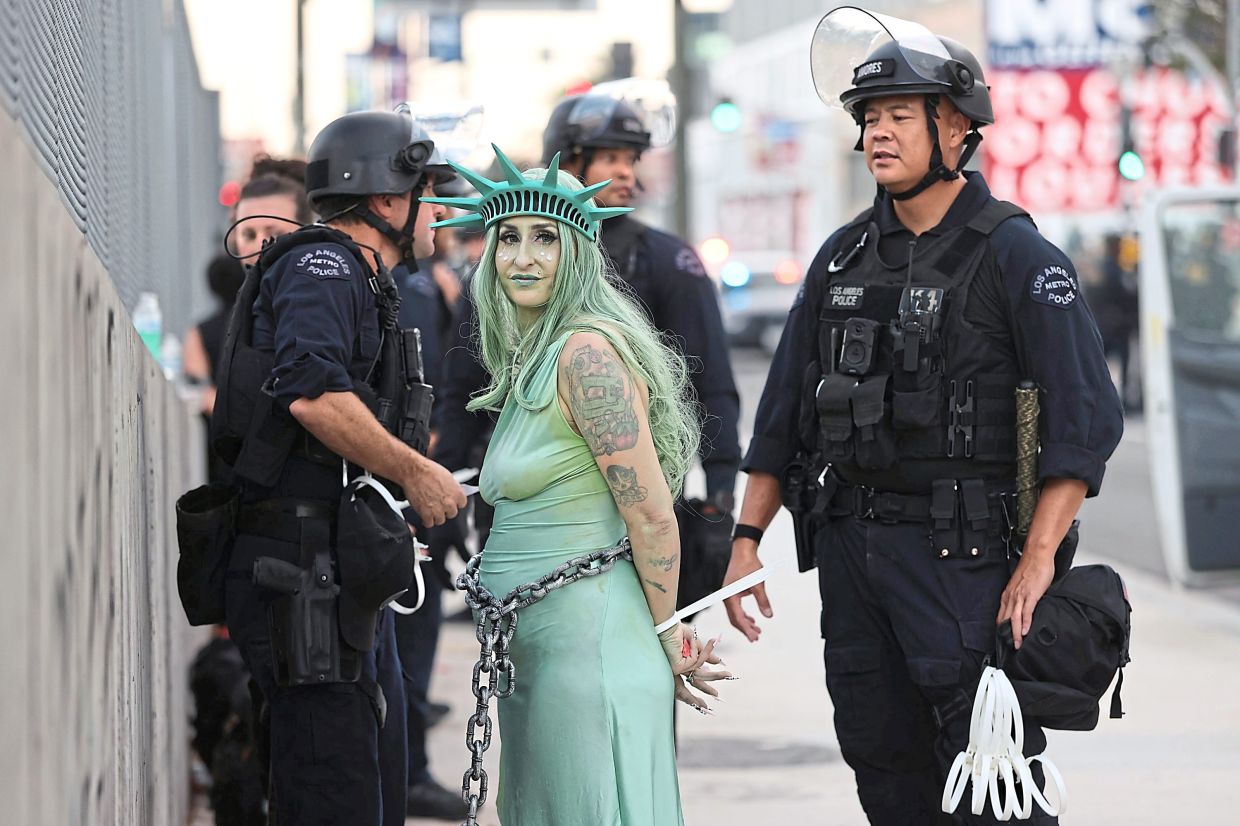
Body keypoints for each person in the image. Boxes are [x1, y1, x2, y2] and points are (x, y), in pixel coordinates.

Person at [722, 13, 1123, 825]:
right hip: (851, 556)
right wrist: (744, 543)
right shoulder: (840, 257)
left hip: (963, 559)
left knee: (990, 778)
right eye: (870, 118)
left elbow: (1085, 420)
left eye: (900, 114)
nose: (878, 133)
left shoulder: (1016, 254)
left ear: (956, 128)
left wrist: (1039, 557)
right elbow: (784, 415)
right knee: (881, 762)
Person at [422, 147, 729, 825]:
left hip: (589, 657)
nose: (522, 257)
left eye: (545, 239)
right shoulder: (533, 358)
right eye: (507, 238)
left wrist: (672, 635)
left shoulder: (585, 355)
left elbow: (651, 515)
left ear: (580, 253)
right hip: (540, 658)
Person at [212, 109, 466, 825]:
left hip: (329, 576)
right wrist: (414, 471)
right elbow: (314, 396)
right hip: (299, 579)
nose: (438, 208)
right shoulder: (323, 265)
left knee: (367, 783)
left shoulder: (358, 274)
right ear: (387, 199)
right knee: (334, 795)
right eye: (427, 189)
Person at [434, 86, 743, 614]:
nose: (625, 172)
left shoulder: (668, 262)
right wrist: (443, 504)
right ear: (571, 162)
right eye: (610, 158)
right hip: (516, 501)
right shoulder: (505, 270)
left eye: (631, 159)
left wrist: (718, 501)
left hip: (626, 511)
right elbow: (464, 390)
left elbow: (710, 384)